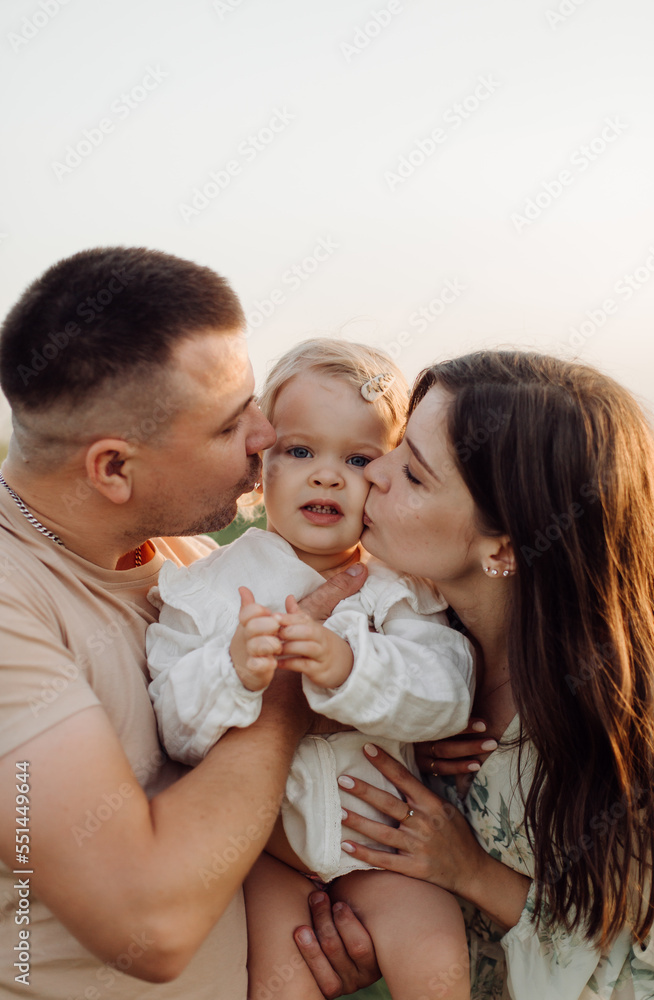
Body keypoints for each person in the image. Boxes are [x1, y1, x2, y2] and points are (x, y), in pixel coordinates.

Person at [0, 247, 373, 999]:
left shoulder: (195, 561)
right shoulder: (14, 603)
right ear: (112, 469)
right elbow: (152, 927)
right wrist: (284, 698)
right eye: (232, 423)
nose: (267, 435)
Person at [297, 350, 654, 999]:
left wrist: (469, 871)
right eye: (393, 447)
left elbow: (641, 978)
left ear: (502, 547)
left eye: (412, 473)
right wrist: (370, 928)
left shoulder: (631, 732)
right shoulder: (397, 642)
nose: (370, 472)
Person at [146, 338, 475, 999]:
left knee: (435, 956)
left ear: (385, 477)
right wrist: (234, 672)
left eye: (357, 459)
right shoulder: (204, 592)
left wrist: (351, 667)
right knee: (278, 980)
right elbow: (173, 726)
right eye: (299, 451)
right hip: (266, 852)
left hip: (383, 846)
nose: (326, 475)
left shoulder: (398, 589)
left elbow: (446, 691)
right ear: (258, 466)